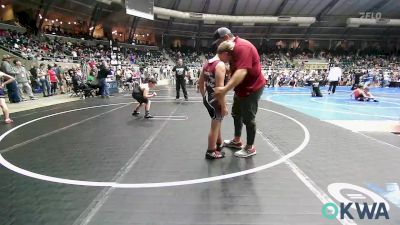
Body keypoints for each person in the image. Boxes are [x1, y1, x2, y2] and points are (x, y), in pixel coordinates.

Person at [212, 28, 266, 158]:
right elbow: (234, 68)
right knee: (236, 113)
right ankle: (237, 141)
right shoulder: (231, 50)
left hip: (252, 88)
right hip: (241, 87)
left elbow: (242, 71)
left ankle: (250, 147)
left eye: (218, 42)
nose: (218, 46)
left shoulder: (242, 47)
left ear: (225, 38)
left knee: (248, 118)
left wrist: (224, 89)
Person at [198, 42, 231, 160]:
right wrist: (224, 106)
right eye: (230, 56)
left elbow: (200, 82)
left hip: (208, 99)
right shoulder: (220, 65)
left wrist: (204, 96)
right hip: (216, 100)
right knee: (215, 125)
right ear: (225, 53)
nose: (230, 59)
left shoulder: (208, 63)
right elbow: (220, 90)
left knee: (217, 122)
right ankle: (211, 150)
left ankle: (218, 143)